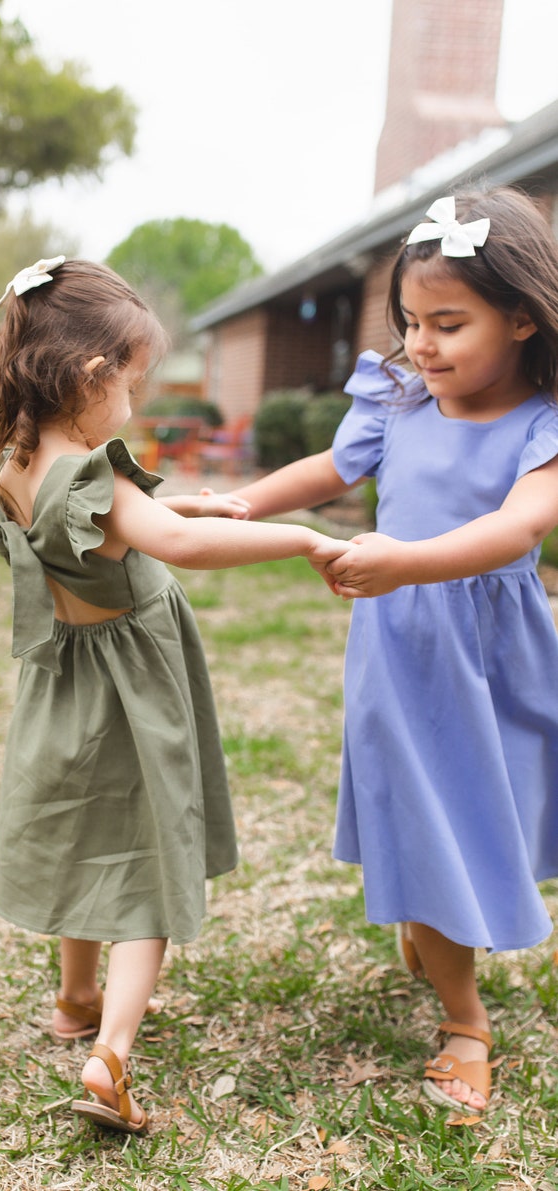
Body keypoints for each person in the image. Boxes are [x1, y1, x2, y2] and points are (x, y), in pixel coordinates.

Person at [0, 256, 349, 1134]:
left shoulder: (9, 465)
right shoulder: (95, 476)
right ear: (92, 377)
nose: (134, 402)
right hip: (134, 690)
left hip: (64, 684)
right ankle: (112, 1055)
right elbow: (170, 543)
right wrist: (302, 538)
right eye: (133, 383)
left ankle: (74, 998)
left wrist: (192, 506)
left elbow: (132, 531)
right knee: (146, 872)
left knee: (85, 837)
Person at [225, 188, 558, 1114]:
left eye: (449, 324)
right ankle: (465, 1017)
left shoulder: (544, 422)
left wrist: (404, 560)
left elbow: (515, 527)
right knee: (423, 809)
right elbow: (332, 472)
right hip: (403, 649)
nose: (422, 344)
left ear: (525, 317)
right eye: (411, 321)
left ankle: (434, 916)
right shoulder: (399, 399)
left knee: (490, 810)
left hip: (496, 653)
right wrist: (242, 502)